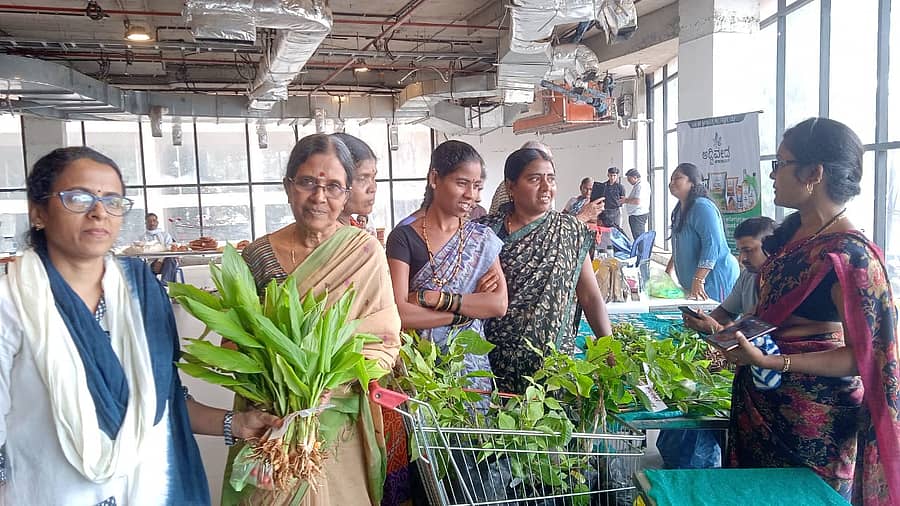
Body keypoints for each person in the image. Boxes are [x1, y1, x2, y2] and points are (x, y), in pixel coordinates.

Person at [0, 146, 279, 504]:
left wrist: (237, 425)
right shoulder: (11, 303)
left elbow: (167, 404)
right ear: (38, 212)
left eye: (113, 201)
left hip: (150, 492)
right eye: (79, 198)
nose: (99, 212)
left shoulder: (141, 292)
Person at [723, 118, 900, 505]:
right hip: (760, 403)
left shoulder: (851, 257)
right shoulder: (789, 237)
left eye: (780, 163)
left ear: (814, 173)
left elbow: (862, 356)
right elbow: (773, 316)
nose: (772, 175)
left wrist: (775, 362)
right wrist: (735, 337)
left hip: (812, 421)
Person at [231, 134, 401, 506]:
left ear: (345, 193)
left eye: (334, 186)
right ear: (288, 186)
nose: (319, 197)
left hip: (335, 426)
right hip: (270, 429)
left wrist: (331, 380)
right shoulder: (258, 255)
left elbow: (385, 341)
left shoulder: (364, 253)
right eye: (308, 182)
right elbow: (234, 341)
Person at [478, 147, 613, 394]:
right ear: (511, 186)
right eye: (534, 179)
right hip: (496, 362)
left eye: (550, 178)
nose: (546, 187)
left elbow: (590, 295)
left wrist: (609, 347)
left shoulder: (570, 230)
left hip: (554, 365)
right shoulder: (485, 232)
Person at [387, 140, 508, 393]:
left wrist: (430, 298)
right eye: (462, 183)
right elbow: (399, 312)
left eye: (477, 187)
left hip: (470, 367)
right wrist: (460, 315)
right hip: (421, 367)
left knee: (472, 430)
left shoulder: (481, 239)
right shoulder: (403, 238)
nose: (471, 195)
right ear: (435, 178)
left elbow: (497, 304)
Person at [683, 216, 776, 334]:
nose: (742, 259)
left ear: (770, 248)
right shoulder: (748, 275)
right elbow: (726, 311)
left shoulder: (783, 283)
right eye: (740, 251)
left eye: (748, 250)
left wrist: (717, 329)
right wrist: (702, 320)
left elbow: (763, 336)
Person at [665, 162, 740, 301]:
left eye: (677, 178)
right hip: (695, 282)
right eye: (671, 179)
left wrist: (699, 279)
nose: (671, 183)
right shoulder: (680, 208)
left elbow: (712, 246)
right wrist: (669, 270)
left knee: (715, 320)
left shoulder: (701, 207)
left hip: (714, 279)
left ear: (692, 182)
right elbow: (679, 245)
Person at [331, 132, 378, 228]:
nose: (372, 188)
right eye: (362, 178)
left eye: (373, 178)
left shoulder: (355, 231)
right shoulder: (323, 238)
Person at [144, 212, 180, 284]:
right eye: (149, 221)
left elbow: (169, 249)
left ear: (157, 222)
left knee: (171, 259)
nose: (152, 223)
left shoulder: (165, 235)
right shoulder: (142, 237)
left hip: (165, 261)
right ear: (146, 223)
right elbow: (142, 252)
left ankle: (165, 285)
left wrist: (160, 261)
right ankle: (167, 286)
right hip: (150, 263)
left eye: (154, 221)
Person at [621, 168, 650, 238]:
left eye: (629, 179)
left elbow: (637, 201)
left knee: (639, 236)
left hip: (637, 215)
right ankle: (639, 248)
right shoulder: (640, 184)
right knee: (638, 236)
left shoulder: (640, 186)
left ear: (635, 177)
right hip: (637, 214)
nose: (628, 181)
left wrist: (625, 200)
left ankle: (641, 249)